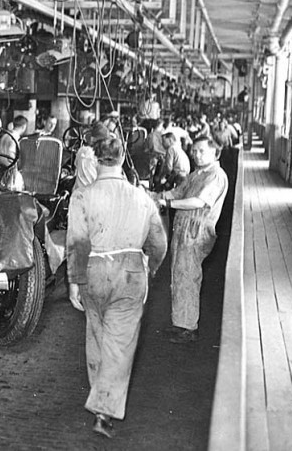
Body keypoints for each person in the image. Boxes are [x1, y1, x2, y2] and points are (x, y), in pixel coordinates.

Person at [66, 136, 167, 439]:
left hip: (93, 272)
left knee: (96, 334)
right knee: (119, 344)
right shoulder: (142, 198)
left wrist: (74, 283)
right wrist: (150, 266)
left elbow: (76, 242)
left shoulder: (82, 196)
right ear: (122, 158)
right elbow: (159, 243)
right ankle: (104, 409)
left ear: (95, 160)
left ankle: (100, 397)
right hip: (130, 273)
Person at [153, 135, 229, 344]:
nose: (196, 154)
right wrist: (154, 195)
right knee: (179, 275)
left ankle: (189, 328)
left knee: (188, 277)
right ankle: (181, 323)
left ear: (216, 153)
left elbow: (198, 201)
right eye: (194, 150)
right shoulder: (197, 174)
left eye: (201, 151)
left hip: (196, 232)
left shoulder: (216, 176)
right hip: (184, 230)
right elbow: (177, 192)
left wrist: (167, 204)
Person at [73, 121, 112, 191]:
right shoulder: (98, 157)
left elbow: (75, 165)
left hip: (77, 193)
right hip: (93, 193)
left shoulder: (81, 151)